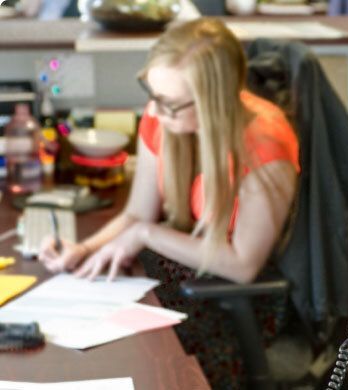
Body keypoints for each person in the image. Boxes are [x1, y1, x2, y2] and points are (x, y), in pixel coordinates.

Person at [38, 18, 299, 387]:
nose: (155, 113)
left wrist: (146, 234)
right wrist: (83, 249)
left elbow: (243, 267)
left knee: (145, 365)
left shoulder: (265, 145)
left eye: (170, 104)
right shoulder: (162, 115)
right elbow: (135, 214)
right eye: (153, 95)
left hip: (230, 296)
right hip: (181, 271)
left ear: (213, 102)